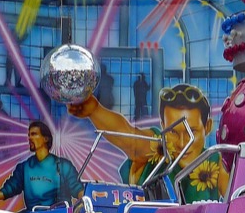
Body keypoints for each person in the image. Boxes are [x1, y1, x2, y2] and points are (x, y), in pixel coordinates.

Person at [69, 83, 229, 203]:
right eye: (173, 131)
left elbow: (237, 199)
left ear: (207, 127)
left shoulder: (216, 161)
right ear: (163, 125)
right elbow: (130, 138)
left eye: (191, 131)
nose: (181, 143)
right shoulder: (157, 150)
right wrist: (95, 111)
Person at [0, 121, 83, 212]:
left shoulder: (63, 166)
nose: (29, 138)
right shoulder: (24, 167)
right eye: (29, 135)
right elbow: (8, 190)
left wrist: (87, 203)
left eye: (34, 134)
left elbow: (78, 189)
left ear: (46, 139)